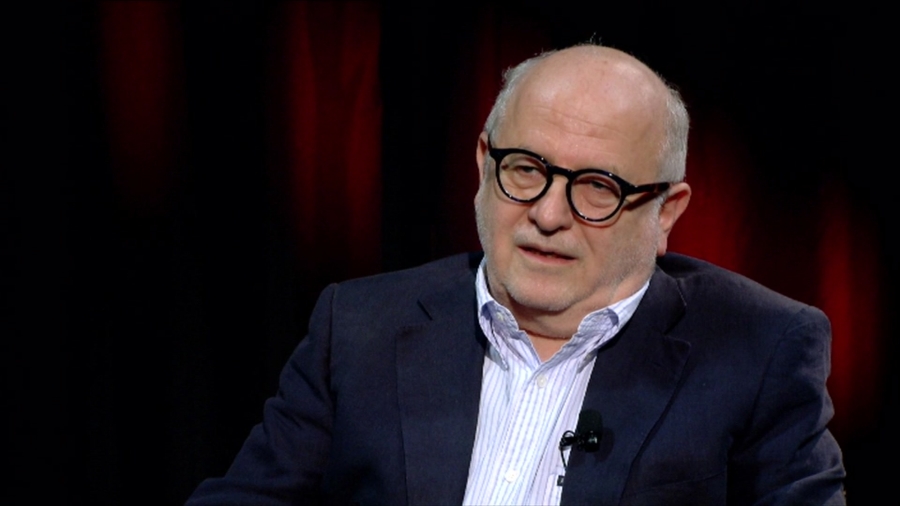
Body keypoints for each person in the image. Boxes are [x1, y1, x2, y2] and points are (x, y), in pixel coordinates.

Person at [185, 43, 846, 505]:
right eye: (526, 170)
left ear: (666, 210)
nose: (548, 215)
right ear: (483, 162)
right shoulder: (360, 327)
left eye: (597, 187)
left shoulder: (757, 350)